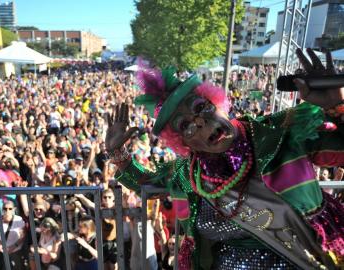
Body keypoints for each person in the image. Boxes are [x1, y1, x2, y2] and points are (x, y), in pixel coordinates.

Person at [106, 49, 344, 269]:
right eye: (185, 125)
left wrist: (337, 107)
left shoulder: (283, 132)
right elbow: (147, 183)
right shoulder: (189, 174)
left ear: (219, 103)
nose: (200, 122)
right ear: (183, 142)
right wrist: (119, 155)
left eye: (201, 107)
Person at [0, 200, 26, 269]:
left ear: (14, 209)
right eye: (5, 208)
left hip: (15, 251)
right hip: (1, 251)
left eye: (10, 208)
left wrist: (14, 246)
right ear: (2, 209)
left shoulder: (18, 220)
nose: (7, 210)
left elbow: (23, 236)